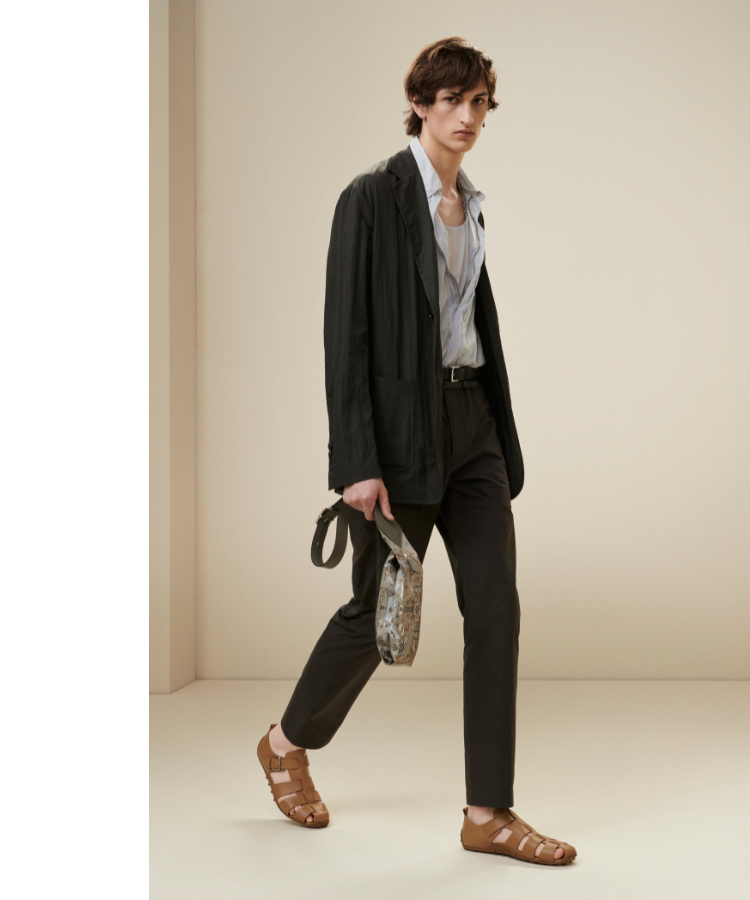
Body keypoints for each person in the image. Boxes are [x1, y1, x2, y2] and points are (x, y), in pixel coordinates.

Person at [252, 37, 577, 866]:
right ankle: (286, 744)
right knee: (378, 614)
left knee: (495, 608)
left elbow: (467, 320)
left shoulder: (471, 204)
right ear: (421, 104)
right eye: (453, 100)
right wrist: (356, 461)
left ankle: (488, 813)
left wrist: (492, 427)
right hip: (401, 437)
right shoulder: (371, 198)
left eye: (479, 103)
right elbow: (346, 337)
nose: (468, 116)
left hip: (475, 427)